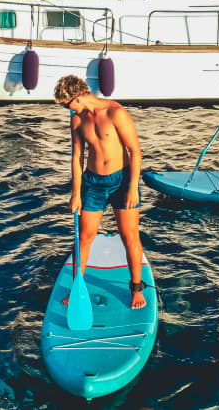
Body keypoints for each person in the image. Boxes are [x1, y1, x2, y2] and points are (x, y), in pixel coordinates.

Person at [55, 75, 146, 309]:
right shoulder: (77, 120)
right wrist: (75, 193)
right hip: (93, 183)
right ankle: (78, 287)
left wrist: (133, 187)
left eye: (67, 104)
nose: (67, 109)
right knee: (84, 237)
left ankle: (136, 287)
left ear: (78, 97)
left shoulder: (115, 112)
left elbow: (135, 151)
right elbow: (77, 158)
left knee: (129, 236)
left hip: (121, 180)